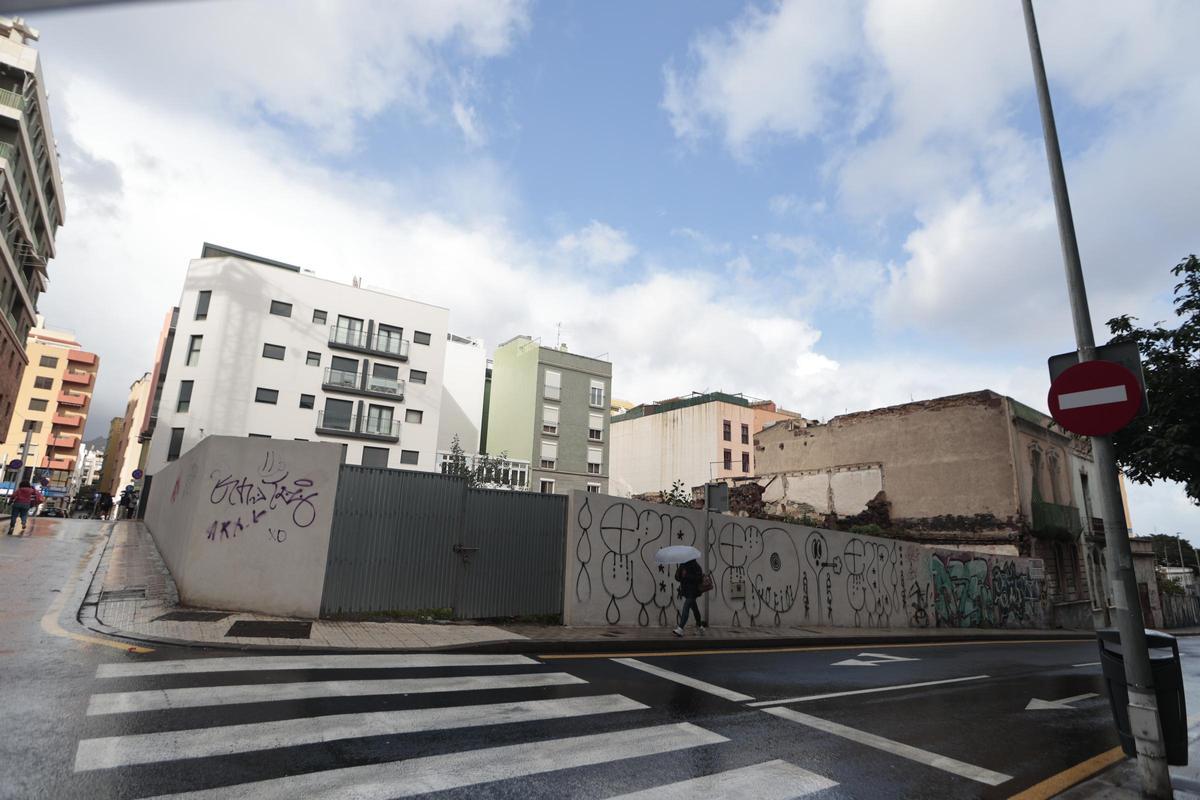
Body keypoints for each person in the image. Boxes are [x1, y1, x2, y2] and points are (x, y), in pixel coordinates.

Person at [673, 558, 706, 636]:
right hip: (686, 591)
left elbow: (699, 578)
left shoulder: (696, 565)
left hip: (693, 591)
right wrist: (680, 575)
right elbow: (677, 577)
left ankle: (680, 628)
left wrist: (686, 575)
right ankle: (700, 627)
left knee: (686, 607)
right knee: (695, 609)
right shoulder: (682, 564)